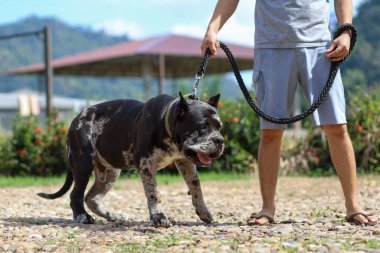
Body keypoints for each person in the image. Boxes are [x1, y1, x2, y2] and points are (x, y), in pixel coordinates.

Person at [201, 0, 377, 226]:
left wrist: (346, 30)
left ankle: (353, 206)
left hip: (320, 47)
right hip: (270, 46)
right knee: (271, 131)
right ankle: (267, 209)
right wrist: (212, 29)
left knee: (337, 126)